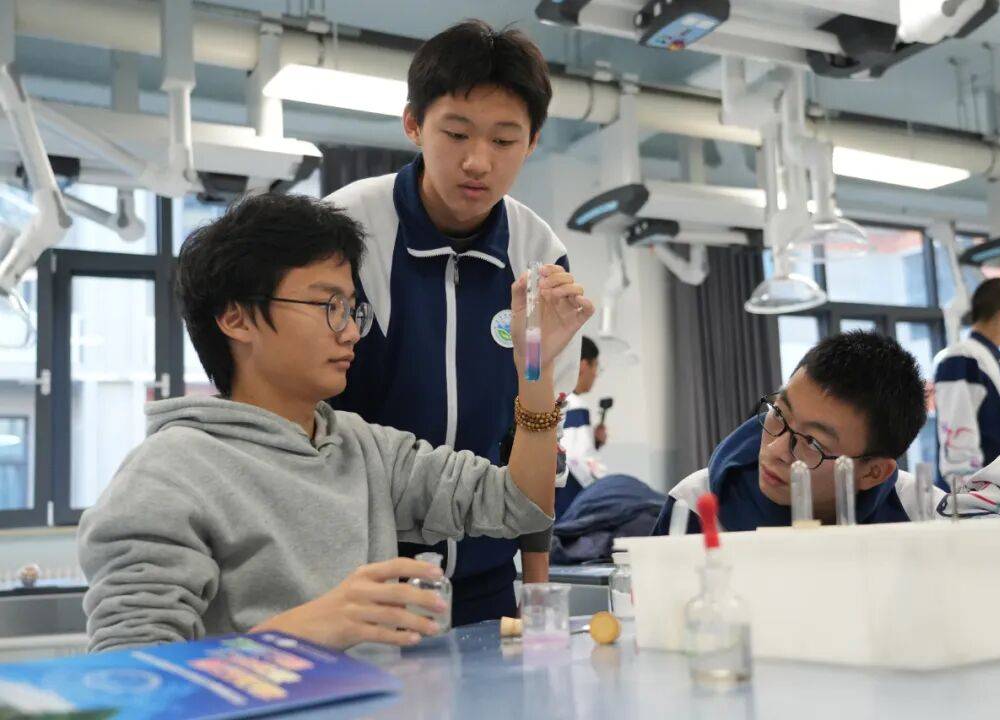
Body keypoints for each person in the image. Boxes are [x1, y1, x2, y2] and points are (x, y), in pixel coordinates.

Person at [76, 194, 593, 653]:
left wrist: (535, 361)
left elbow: (519, 504)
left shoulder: (362, 448)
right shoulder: (168, 475)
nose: (350, 332)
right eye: (328, 306)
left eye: (351, 308)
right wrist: (302, 631)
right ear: (236, 318)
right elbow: (131, 681)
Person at [324, 20, 582, 626]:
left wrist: (537, 597)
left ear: (532, 142)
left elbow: (535, 438)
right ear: (413, 124)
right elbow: (301, 417)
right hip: (357, 576)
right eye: (457, 133)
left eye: (504, 140)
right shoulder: (344, 232)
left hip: (485, 585)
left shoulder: (540, 257)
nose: (477, 162)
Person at [653, 332, 932, 534]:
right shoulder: (695, 507)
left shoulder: (921, 513)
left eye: (812, 442)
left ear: (872, 472)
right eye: (779, 414)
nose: (775, 450)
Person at [933, 278, 1000, 488]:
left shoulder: (991, 360)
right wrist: (970, 501)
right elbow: (958, 451)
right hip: (981, 500)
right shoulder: (963, 358)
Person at [559, 336, 609, 517]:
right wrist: (605, 485)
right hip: (570, 498)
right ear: (583, 365)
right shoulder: (575, 405)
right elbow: (577, 458)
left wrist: (593, 441)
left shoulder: (555, 399)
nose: (596, 374)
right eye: (596, 366)